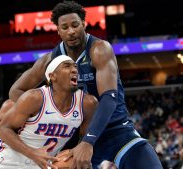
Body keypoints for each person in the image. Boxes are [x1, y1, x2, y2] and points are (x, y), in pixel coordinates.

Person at [9, 1, 163, 169]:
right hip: (75, 135)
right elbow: (16, 90)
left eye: (75, 25)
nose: (71, 31)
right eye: (65, 27)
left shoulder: (99, 49)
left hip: (114, 128)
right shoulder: (50, 60)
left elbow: (109, 98)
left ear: (83, 24)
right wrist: (44, 113)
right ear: (58, 31)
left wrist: (89, 141)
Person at [0, 55, 97, 169]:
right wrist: (32, 153)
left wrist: (76, 152)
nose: (74, 70)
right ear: (52, 76)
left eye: (75, 66)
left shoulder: (88, 103)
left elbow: (84, 138)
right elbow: (2, 128)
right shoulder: (34, 98)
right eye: (67, 66)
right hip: (8, 162)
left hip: (42, 164)